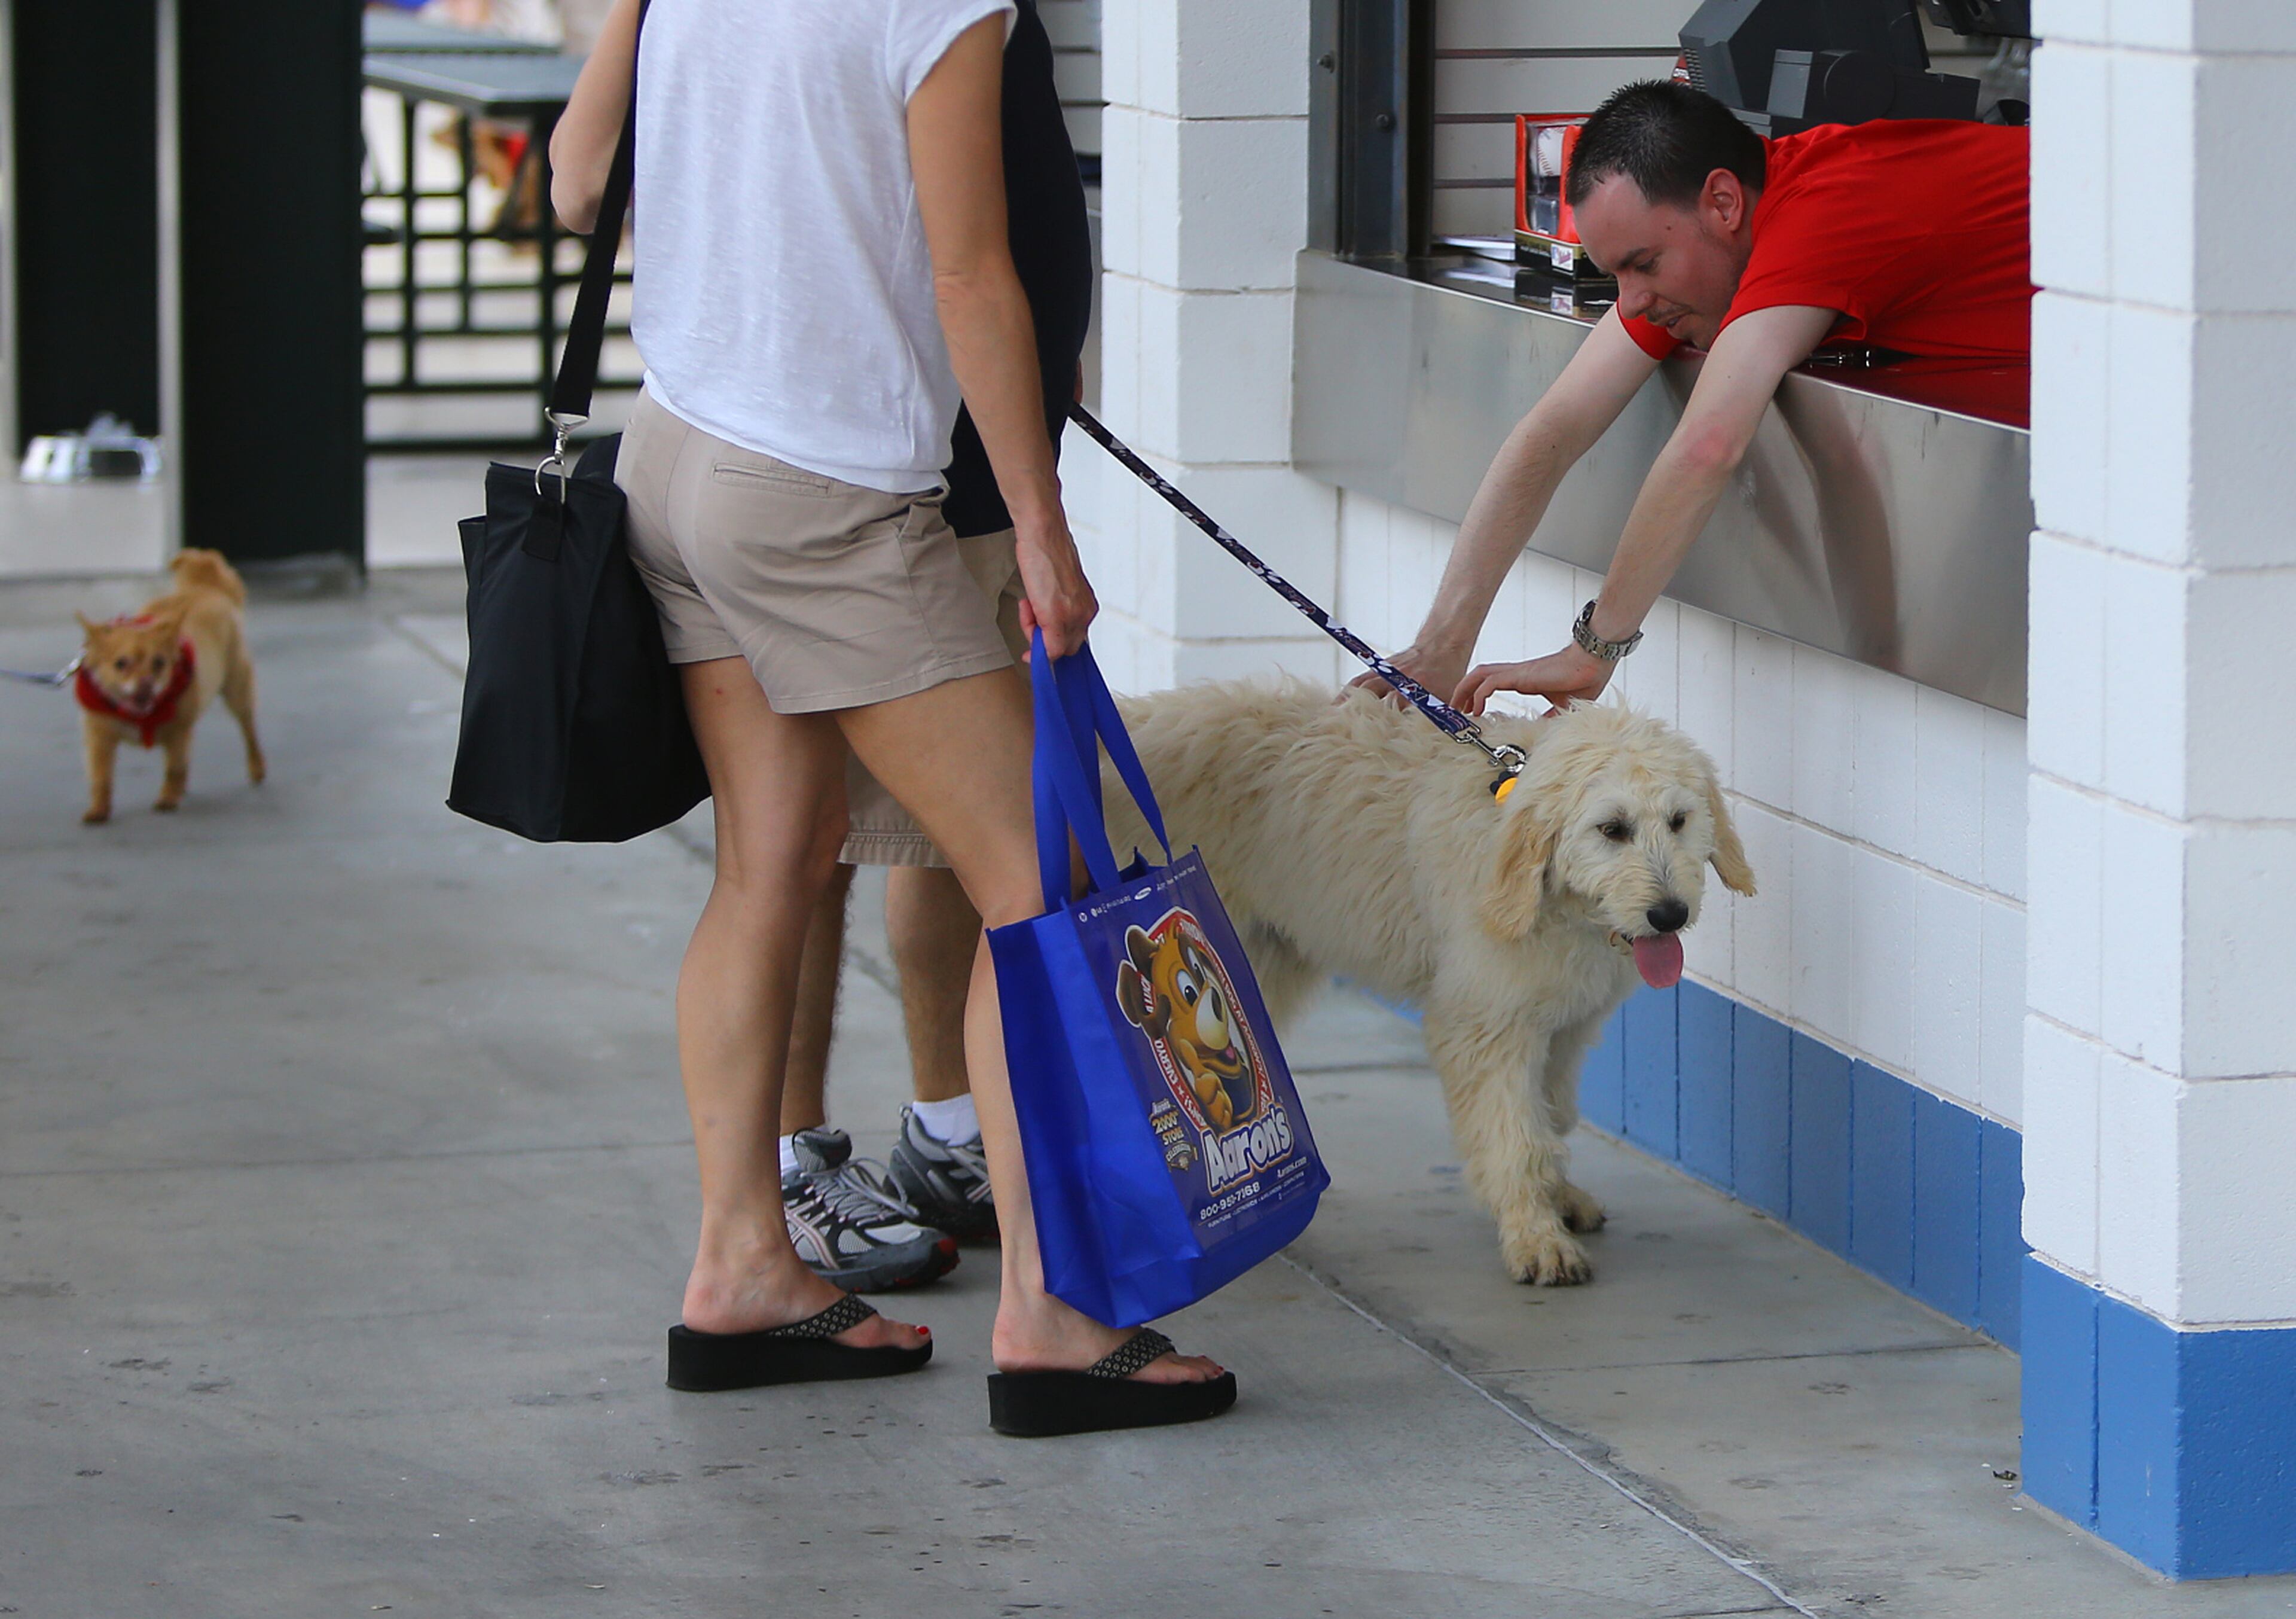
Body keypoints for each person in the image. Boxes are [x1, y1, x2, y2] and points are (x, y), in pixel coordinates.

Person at [550, 0, 1231, 1428]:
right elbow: (970, 271)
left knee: (768, 864)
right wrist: (1039, 529)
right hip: (824, 503)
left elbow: (574, 174)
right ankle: (1050, 1313)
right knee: (1047, 888)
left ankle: (742, 1264)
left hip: (679, 454)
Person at [1358, 80, 2031, 714]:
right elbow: (1554, 430)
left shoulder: (1825, 215)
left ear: (1723, 202)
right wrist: (1442, 646)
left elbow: (1709, 446)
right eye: (1615, 271)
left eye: (1643, 265)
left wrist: (1593, 653)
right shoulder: (1706, 244)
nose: (1631, 301)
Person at [772, 0, 1095, 1296]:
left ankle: (950, 1130)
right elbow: (957, 265)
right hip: (871, 472)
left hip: (947, 466)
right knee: (812, 844)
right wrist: (1039, 517)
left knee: (945, 833)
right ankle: (799, 1170)